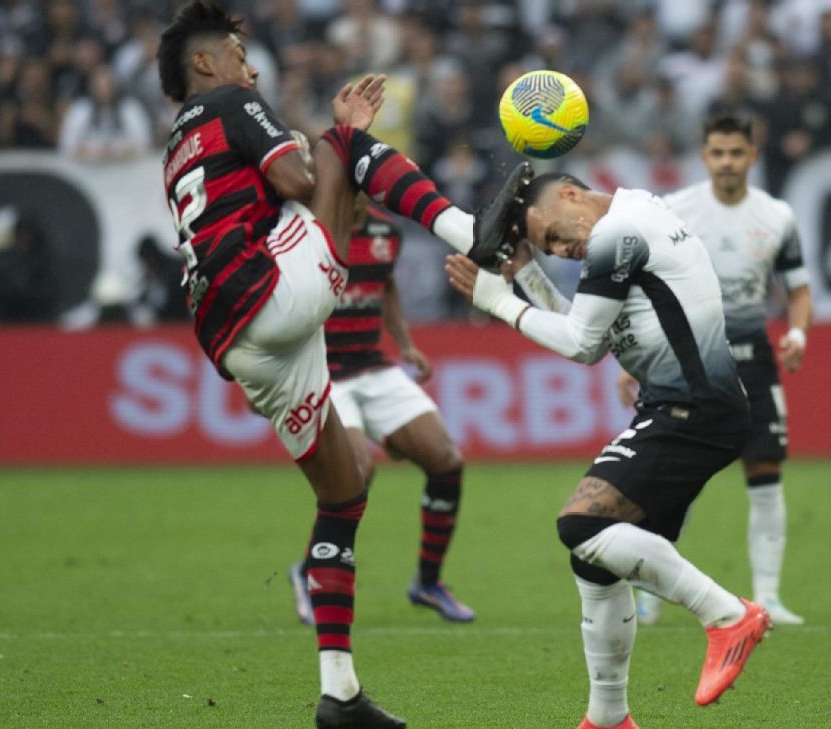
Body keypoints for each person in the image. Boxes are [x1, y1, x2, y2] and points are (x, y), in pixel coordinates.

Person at [157, 3, 474, 727]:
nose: (252, 66)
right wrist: (333, 142)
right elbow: (303, 181)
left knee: (342, 493)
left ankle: (340, 693)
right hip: (272, 297)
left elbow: (244, 206)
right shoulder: (233, 102)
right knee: (340, 142)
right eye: (239, 54)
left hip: (235, 339)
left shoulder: (175, 147)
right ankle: (466, 230)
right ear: (206, 64)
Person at [445, 163, 771, 729]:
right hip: (692, 408)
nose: (560, 250)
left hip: (690, 409)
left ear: (570, 194)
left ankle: (727, 615)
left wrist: (497, 301)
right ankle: (608, 718)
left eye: (553, 235)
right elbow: (590, 337)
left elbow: (579, 344)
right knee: (595, 563)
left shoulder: (619, 233)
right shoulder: (635, 212)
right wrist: (530, 278)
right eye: (548, 248)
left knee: (582, 525)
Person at [616, 113, 812, 628]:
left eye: (737, 153)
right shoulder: (677, 212)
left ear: (753, 155)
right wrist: (631, 355)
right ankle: (649, 595)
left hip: (753, 356)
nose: (727, 163)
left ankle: (768, 597)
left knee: (765, 474)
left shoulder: (777, 216)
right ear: (704, 157)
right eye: (718, 153)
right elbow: (641, 284)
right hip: (686, 358)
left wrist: (798, 331)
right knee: (671, 476)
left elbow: (797, 288)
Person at [289, 199, 474, 626]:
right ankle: (308, 571)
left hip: (374, 368)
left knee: (447, 461)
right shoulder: (306, 231)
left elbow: (385, 285)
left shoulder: (383, 233)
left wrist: (406, 344)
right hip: (324, 374)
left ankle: (428, 583)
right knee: (356, 472)